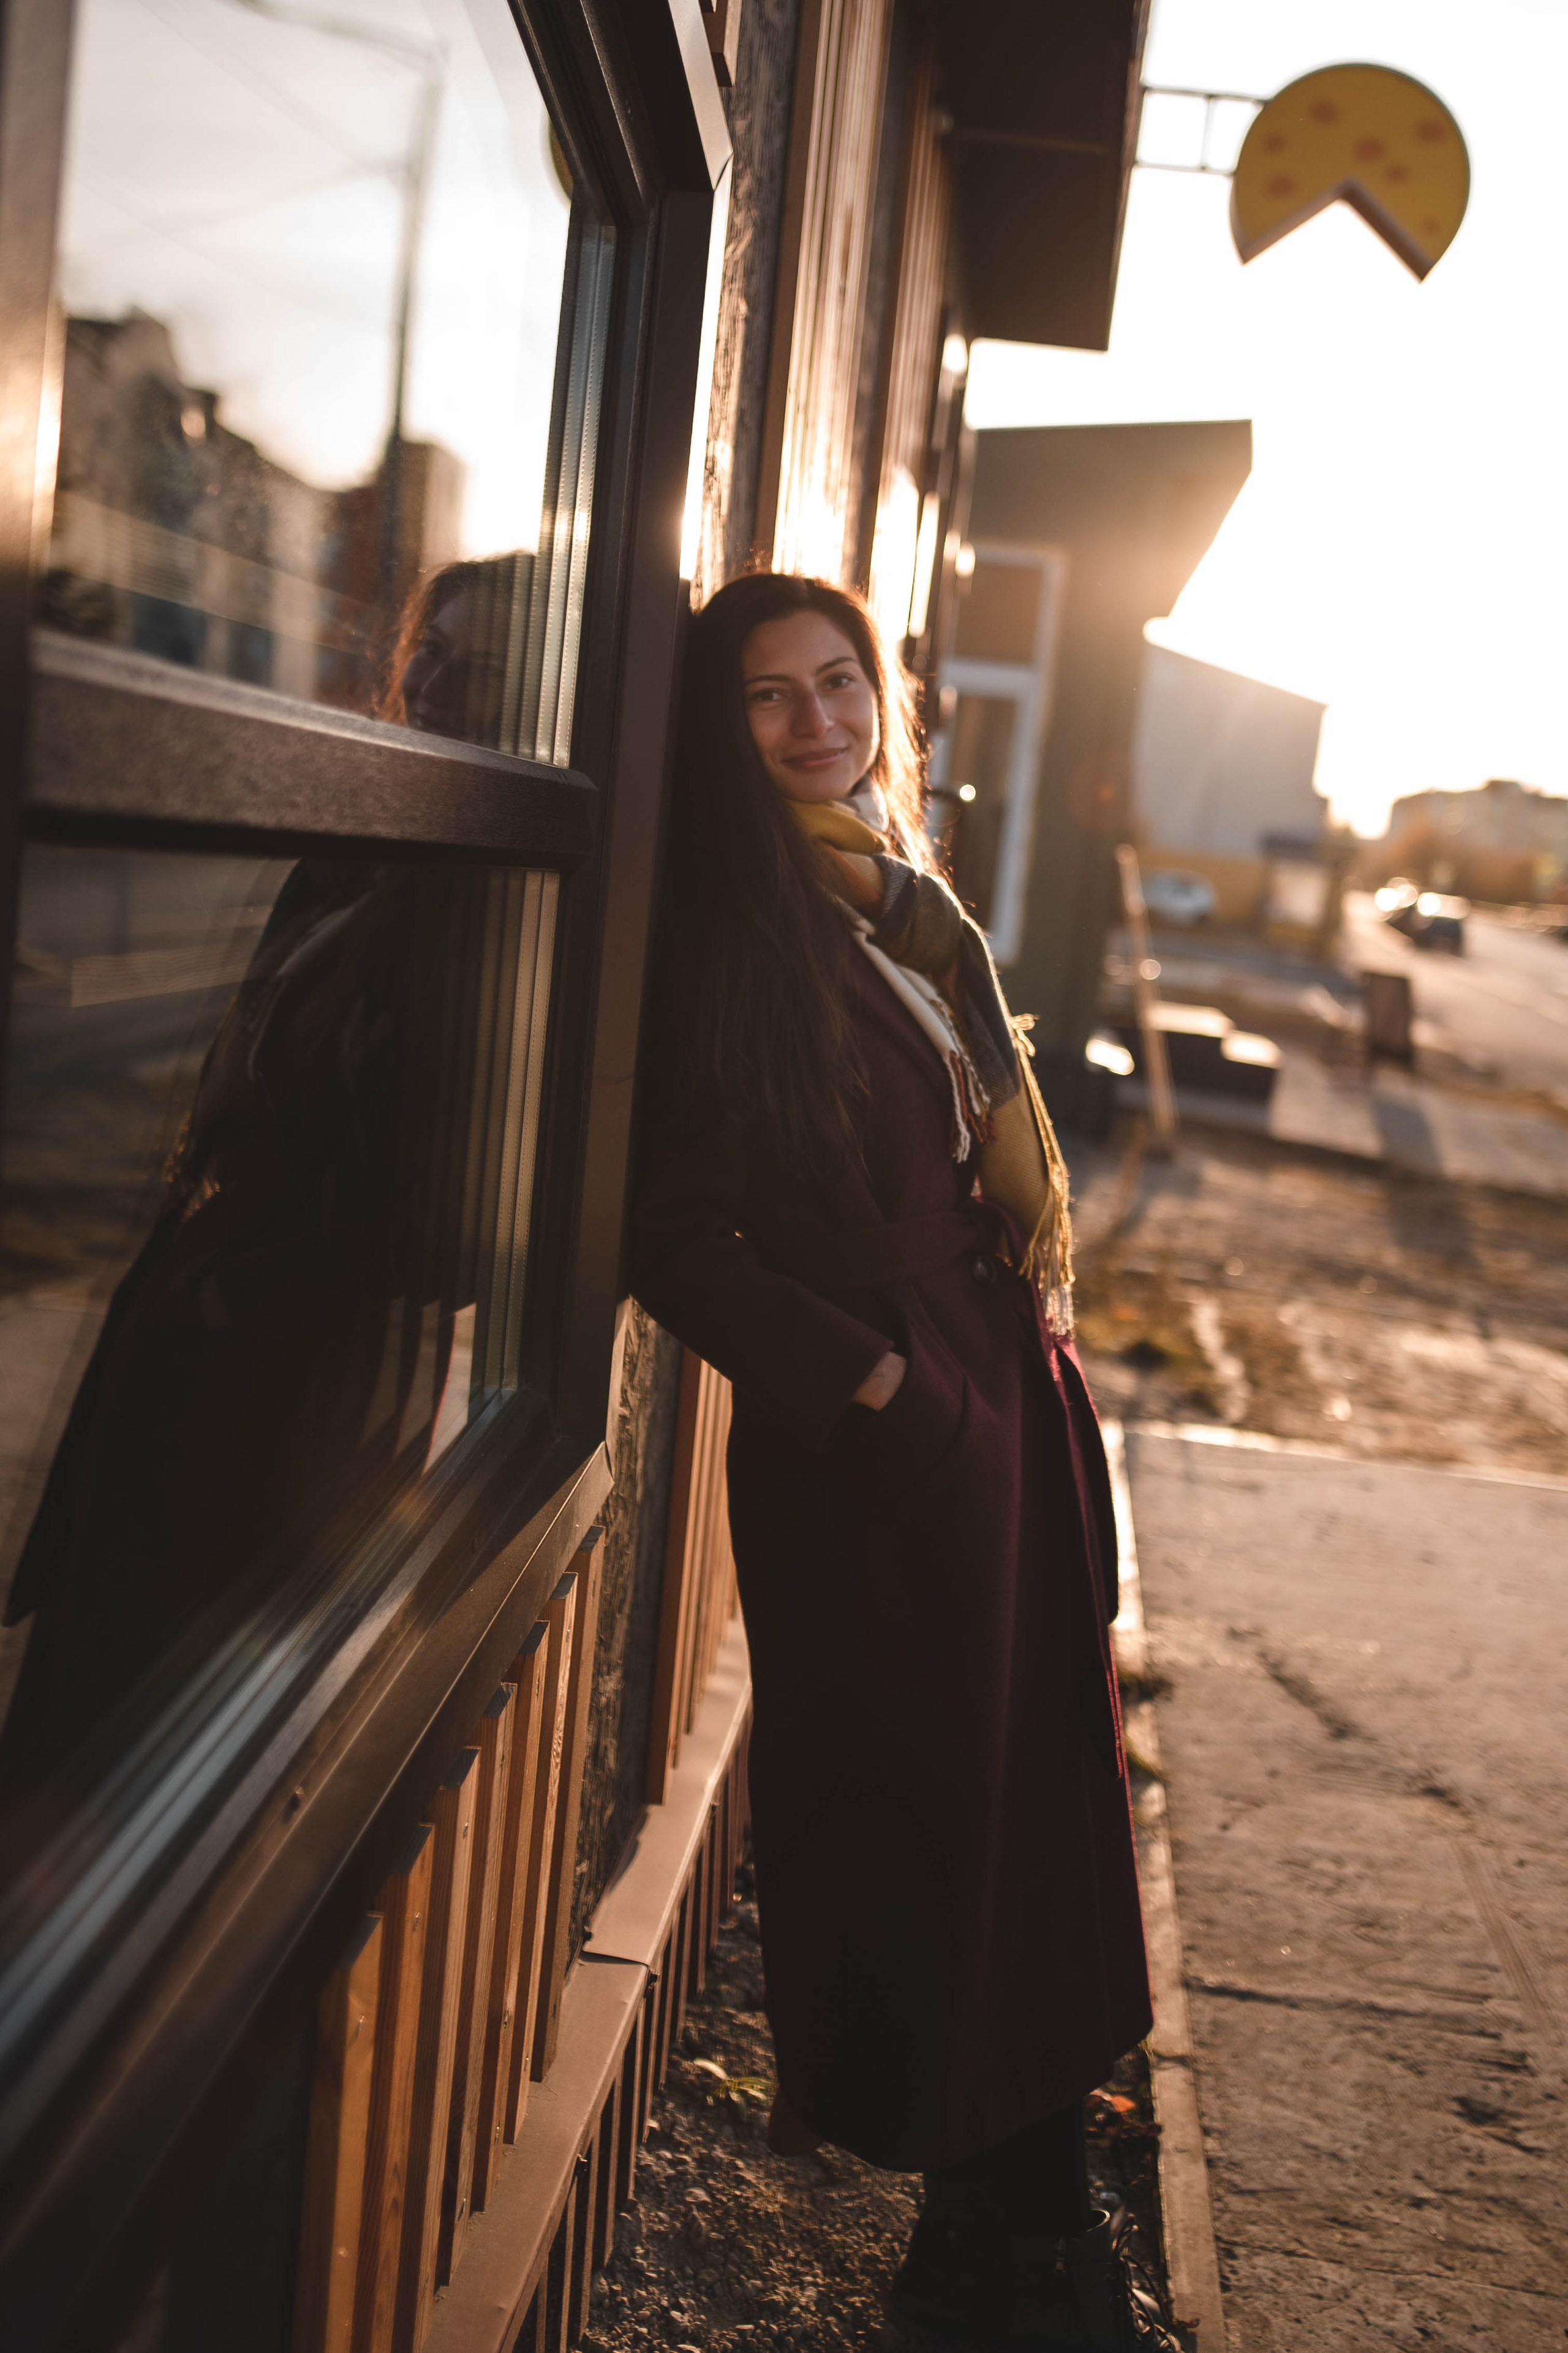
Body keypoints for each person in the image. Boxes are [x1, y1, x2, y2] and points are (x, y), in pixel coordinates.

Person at [632, 571, 1162, 2350]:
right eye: (769, 697)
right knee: (942, 1822)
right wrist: (882, 1392)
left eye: (840, 681)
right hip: (884, 1441)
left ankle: (1025, 2228)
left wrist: (987, 1383)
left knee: (1036, 1809)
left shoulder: (904, 901)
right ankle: (991, 2259)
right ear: (725, 733)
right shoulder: (728, 927)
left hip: (994, 1388)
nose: (817, 722)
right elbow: (675, 1232)